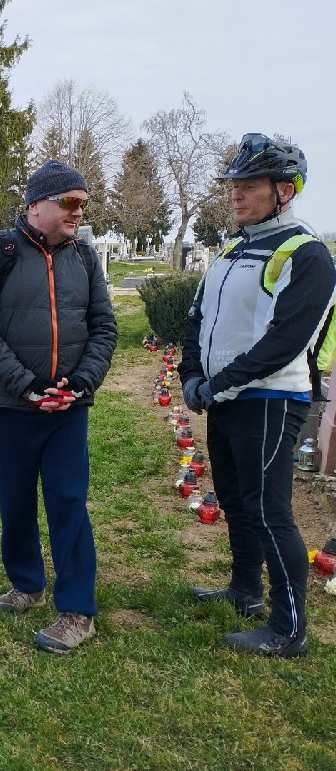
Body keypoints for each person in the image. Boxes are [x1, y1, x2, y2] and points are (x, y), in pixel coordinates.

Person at [180, 134, 336, 658]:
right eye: (234, 185)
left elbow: (284, 341)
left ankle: (289, 629)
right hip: (224, 398)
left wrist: (217, 384)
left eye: (249, 186)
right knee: (234, 498)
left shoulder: (306, 253)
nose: (236, 194)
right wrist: (191, 375)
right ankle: (245, 589)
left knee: (270, 510)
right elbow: (198, 317)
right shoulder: (234, 248)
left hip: (270, 398)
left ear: (284, 191)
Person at [0, 160, 117, 654]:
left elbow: (104, 327)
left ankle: (77, 610)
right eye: (69, 202)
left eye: (84, 204)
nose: (78, 211)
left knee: (68, 503)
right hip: (8, 405)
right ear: (35, 205)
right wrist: (26, 386)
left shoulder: (85, 257)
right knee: (15, 501)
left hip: (68, 407)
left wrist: (82, 383)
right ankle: (27, 583)